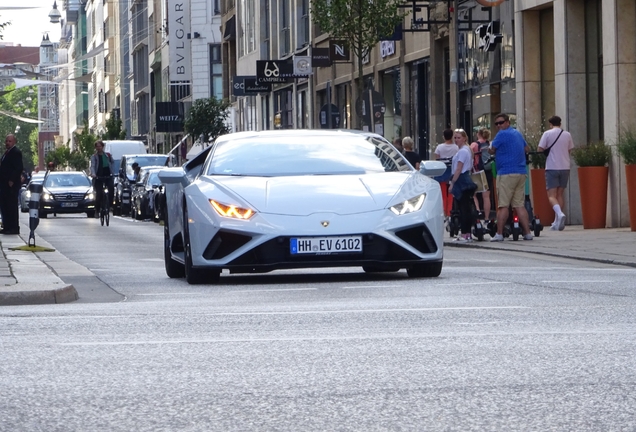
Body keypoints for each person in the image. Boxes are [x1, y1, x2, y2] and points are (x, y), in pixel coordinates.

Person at [489, 113, 533, 242]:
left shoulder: (501, 134)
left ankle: (499, 234)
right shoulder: (517, 133)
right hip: (520, 172)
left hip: (506, 173)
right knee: (519, 205)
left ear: (507, 122)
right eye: (496, 124)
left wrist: (491, 150)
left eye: (501, 122)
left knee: (503, 205)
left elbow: (492, 150)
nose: (499, 126)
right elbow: (527, 148)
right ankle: (527, 233)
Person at [538, 115, 574, 231]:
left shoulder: (547, 134)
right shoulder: (567, 134)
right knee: (560, 194)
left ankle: (560, 215)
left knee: (551, 195)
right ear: (560, 123)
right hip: (565, 166)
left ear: (550, 124)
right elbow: (569, 150)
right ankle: (556, 221)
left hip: (552, 167)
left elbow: (540, 149)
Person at [448, 129, 476, 243]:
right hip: (464, 179)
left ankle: (465, 234)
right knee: (465, 208)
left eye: (459, 137)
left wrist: (452, 183)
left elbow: (459, 168)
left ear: (464, 138)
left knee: (464, 209)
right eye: (455, 137)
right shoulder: (464, 150)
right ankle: (466, 233)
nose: (456, 140)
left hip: (462, 180)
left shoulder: (463, 151)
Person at [0, 134, 24, 234]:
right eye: (6, 141)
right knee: (4, 206)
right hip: (4, 184)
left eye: (9, 141)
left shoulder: (16, 152)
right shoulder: (7, 153)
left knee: (11, 206)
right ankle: (7, 226)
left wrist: (12, 180)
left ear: (14, 142)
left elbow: (18, 168)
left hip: (10, 185)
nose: (7, 143)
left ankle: (13, 227)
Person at [433, 129, 459, 218]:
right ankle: (449, 211)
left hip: (442, 171)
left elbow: (437, 159)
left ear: (444, 136)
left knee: (443, 192)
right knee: (451, 192)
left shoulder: (439, 147)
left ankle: (443, 211)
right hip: (452, 170)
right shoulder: (456, 147)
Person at [470, 128, 492, 221]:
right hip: (488, 170)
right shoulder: (490, 144)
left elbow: (469, 156)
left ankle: (478, 211)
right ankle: (487, 217)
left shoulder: (474, 145)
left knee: (473, 193)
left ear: (478, 134)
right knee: (486, 196)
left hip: (477, 171)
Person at [89, 140, 115, 217]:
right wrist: (93, 174)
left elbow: (112, 163)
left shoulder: (107, 155)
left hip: (107, 175)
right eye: (97, 146)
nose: (98, 148)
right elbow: (92, 166)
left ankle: (110, 205)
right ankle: (97, 210)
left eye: (100, 146)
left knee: (111, 188)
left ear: (103, 147)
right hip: (98, 177)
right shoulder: (94, 157)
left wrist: (112, 173)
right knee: (99, 193)